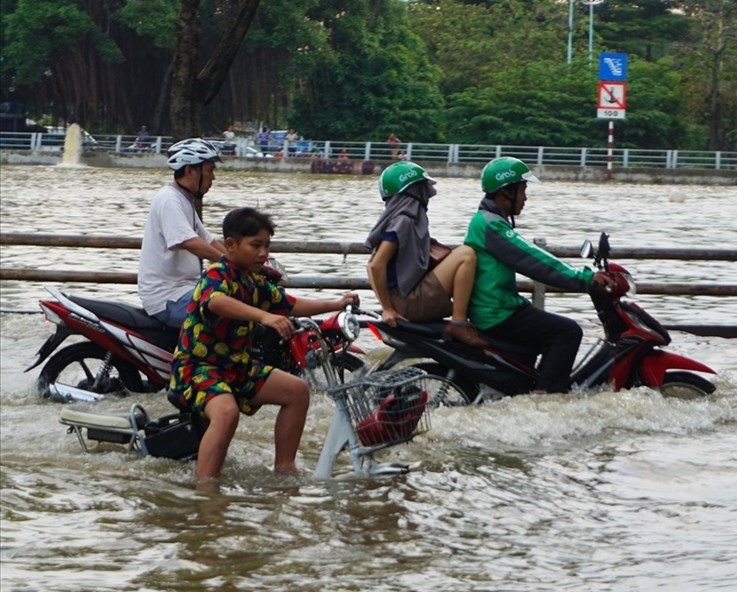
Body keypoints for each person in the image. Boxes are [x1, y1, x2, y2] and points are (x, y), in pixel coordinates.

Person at [168, 207, 359, 485]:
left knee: (297, 391)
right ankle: (206, 490)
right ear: (231, 245)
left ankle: (284, 469)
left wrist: (336, 304)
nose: (263, 253)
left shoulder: (254, 281)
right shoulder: (217, 275)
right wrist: (263, 316)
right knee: (226, 412)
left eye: (266, 246)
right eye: (255, 245)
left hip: (236, 367)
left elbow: (291, 304)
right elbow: (216, 302)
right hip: (199, 369)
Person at [463, 157, 613, 393]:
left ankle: (536, 385)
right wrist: (583, 279)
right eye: (522, 191)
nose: (525, 198)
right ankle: (545, 396)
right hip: (496, 312)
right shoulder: (491, 225)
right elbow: (532, 260)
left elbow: (531, 257)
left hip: (500, 306)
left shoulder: (489, 221)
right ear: (507, 192)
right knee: (568, 331)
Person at [365, 161, 487, 347]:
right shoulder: (403, 221)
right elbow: (376, 266)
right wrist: (388, 309)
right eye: (423, 190)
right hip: (408, 302)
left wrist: (387, 305)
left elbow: (371, 265)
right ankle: (459, 323)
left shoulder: (401, 220)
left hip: (403, 300)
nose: (427, 196)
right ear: (414, 192)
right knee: (466, 254)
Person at [138, 138, 227, 329]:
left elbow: (209, 242)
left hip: (185, 291)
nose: (213, 177)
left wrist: (243, 263)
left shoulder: (184, 200)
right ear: (190, 171)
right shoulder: (169, 199)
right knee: (233, 317)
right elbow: (189, 241)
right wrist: (230, 264)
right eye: (210, 170)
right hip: (168, 298)